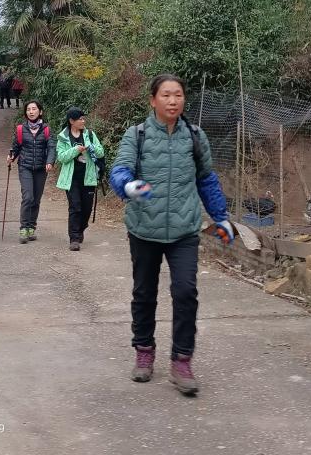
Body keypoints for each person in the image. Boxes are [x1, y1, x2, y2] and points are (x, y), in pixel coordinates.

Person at [110, 74, 233, 395]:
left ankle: (181, 361)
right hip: (144, 229)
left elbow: (206, 179)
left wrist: (221, 217)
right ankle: (144, 351)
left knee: (185, 291)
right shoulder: (136, 135)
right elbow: (120, 169)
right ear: (153, 100)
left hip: (184, 230)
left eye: (178, 94)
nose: (172, 100)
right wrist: (127, 185)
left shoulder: (195, 136)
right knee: (144, 293)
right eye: (166, 95)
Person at [7, 101, 56, 244]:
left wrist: (50, 161)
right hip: (25, 167)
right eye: (28, 109)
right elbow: (16, 147)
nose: (31, 111)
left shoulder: (46, 129)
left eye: (34, 109)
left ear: (40, 112)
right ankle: (23, 228)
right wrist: (11, 157)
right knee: (28, 197)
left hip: (41, 168)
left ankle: (31, 227)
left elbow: (51, 147)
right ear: (26, 113)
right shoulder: (21, 129)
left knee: (36, 199)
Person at [56, 107, 104, 251]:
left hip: (88, 177)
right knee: (75, 206)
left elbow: (101, 152)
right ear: (72, 121)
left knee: (87, 208)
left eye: (84, 118)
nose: (83, 121)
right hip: (71, 179)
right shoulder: (63, 137)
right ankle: (74, 238)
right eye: (80, 119)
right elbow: (61, 157)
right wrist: (75, 150)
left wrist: (91, 147)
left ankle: (81, 228)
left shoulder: (90, 134)